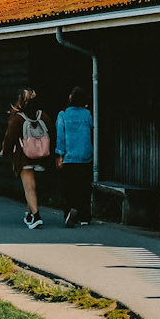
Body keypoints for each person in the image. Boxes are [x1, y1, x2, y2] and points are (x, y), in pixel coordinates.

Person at [0, 86, 49, 229]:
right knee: (33, 187)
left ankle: (36, 216)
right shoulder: (43, 116)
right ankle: (29, 214)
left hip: (24, 156)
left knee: (29, 188)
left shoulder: (17, 118)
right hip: (40, 155)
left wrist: (4, 150)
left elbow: (10, 137)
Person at [54, 84, 94, 227]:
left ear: (70, 98)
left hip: (69, 156)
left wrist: (60, 155)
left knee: (69, 187)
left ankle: (70, 212)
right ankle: (85, 216)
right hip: (85, 155)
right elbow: (91, 129)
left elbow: (60, 137)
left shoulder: (63, 115)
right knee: (84, 187)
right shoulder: (87, 114)